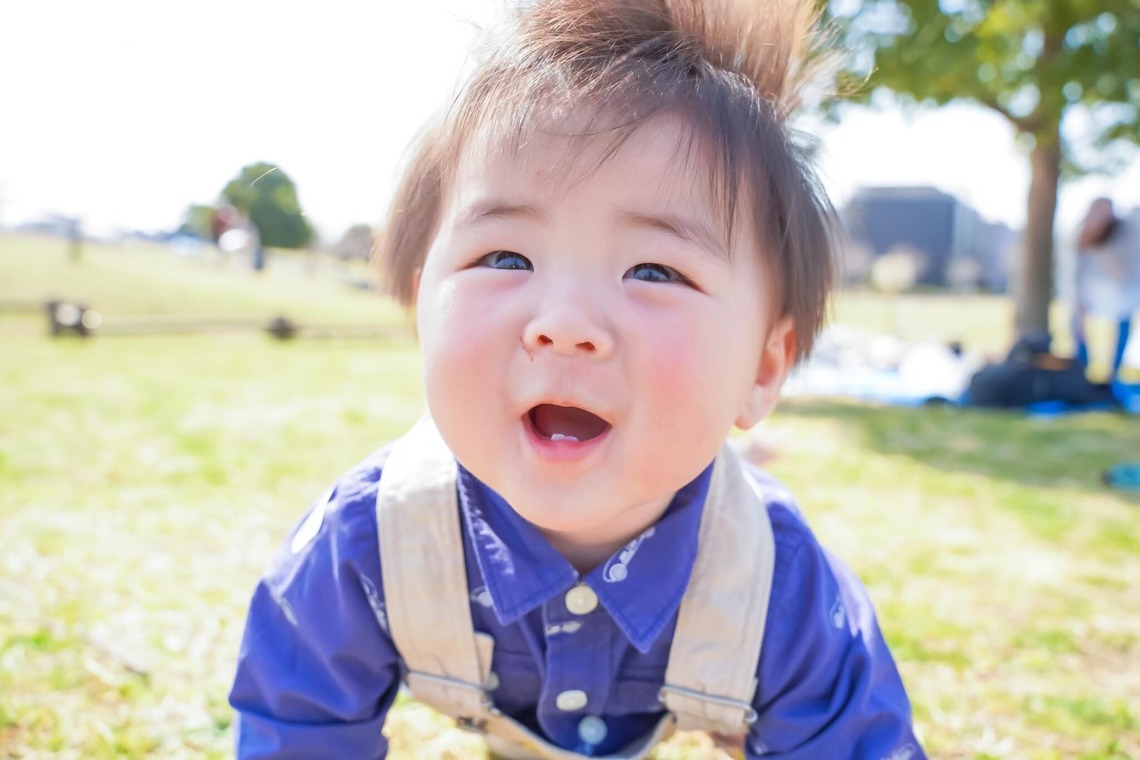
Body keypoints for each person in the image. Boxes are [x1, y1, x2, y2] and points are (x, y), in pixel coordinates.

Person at [229, 1, 926, 757]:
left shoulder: (776, 587)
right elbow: (294, 721)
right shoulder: (368, 544)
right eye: (505, 258)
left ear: (760, 368)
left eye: (655, 270)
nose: (564, 322)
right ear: (425, 308)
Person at [1071, 197, 1140, 383]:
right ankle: (1081, 370)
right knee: (1075, 322)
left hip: (1122, 292)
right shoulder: (1081, 236)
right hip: (1092, 291)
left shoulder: (1125, 232)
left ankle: (1113, 374)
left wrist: (1101, 247)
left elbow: (1124, 275)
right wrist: (1079, 307)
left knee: (1124, 322)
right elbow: (1078, 275)